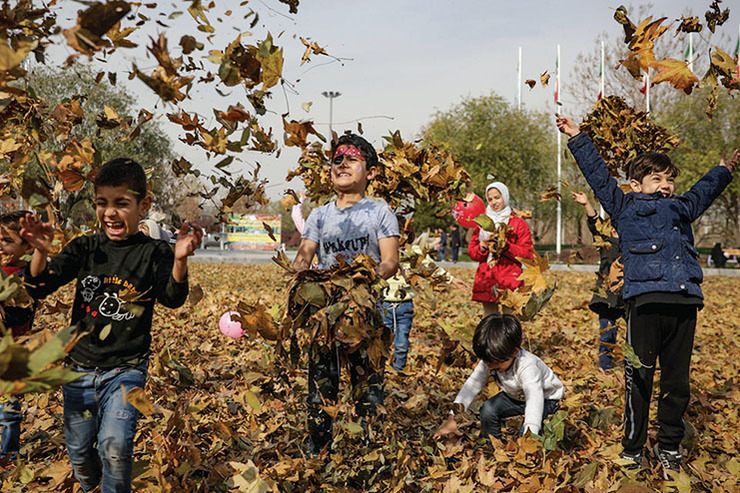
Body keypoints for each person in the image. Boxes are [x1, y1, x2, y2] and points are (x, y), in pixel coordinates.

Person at [556, 113, 738, 477]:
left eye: (670, 180)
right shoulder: (623, 207)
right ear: (636, 184)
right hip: (644, 301)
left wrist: (724, 170)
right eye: (657, 179)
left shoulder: (682, 208)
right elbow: (599, 178)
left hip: (684, 301)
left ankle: (669, 443)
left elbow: (704, 190)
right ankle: (633, 446)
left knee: (677, 381)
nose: (666, 186)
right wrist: (578, 138)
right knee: (639, 378)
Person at [21, 158, 203, 493]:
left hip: (127, 371)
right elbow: (39, 285)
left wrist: (179, 260)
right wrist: (40, 252)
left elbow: (173, 298)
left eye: (121, 204)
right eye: (102, 203)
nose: (110, 213)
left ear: (143, 204)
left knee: (115, 447)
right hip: (77, 371)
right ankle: (92, 485)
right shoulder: (86, 248)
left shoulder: (155, 252)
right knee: (79, 453)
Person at [292, 134, 400, 455]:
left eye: (351, 159)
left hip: (365, 318)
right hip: (324, 318)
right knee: (320, 392)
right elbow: (304, 256)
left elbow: (390, 260)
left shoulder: (379, 213)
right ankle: (320, 451)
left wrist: (366, 277)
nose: (342, 164)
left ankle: (369, 454)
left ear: (371, 172)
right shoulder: (320, 215)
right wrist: (297, 278)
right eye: (337, 160)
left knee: (368, 391)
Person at [434, 314, 563, 445]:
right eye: (486, 362)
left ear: (515, 352)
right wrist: (453, 417)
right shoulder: (491, 360)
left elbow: (534, 399)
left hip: (546, 399)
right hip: (516, 397)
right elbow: (472, 385)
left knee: (528, 431)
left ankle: (529, 455)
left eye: (497, 365)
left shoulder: (528, 366)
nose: (490, 366)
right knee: (488, 410)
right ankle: (495, 448)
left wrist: (529, 437)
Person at [381, 235, 468, 373]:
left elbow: (430, 267)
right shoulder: (381, 249)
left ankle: (398, 371)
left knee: (402, 343)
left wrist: (451, 279)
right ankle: (381, 372)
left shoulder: (413, 251)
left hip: (405, 305)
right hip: (383, 305)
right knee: (381, 343)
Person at [571, 191, 624, 370]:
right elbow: (595, 224)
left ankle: (634, 368)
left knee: (635, 336)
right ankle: (605, 368)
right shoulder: (605, 240)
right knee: (606, 335)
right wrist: (586, 204)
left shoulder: (633, 241)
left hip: (629, 294)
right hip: (608, 296)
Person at [0, 211, 36, 468]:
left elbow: (17, 313)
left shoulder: (29, 278)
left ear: (28, 246)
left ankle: (9, 455)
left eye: (6, 241)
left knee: (8, 409)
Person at [468, 182, 533, 316]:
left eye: (497, 197)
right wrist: (481, 247)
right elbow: (473, 253)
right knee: (489, 321)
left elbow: (527, 254)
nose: (493, 202)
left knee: (510, 320)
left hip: (510, 278)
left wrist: (507, 247)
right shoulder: (482, 224)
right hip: (487, 277)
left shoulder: (518, 223)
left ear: (505, 196)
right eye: (490, 199)